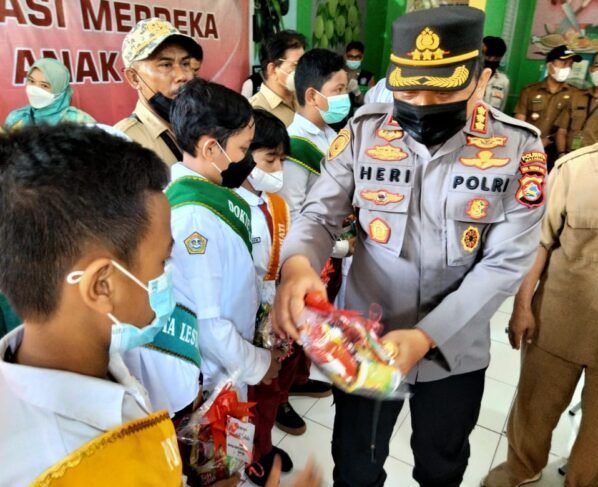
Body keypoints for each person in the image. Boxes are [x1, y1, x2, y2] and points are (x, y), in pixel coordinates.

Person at [272, 6, 547, 487]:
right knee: (356, 467)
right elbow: (318, 215)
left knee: (441, 467)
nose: (421, 103)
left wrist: (425, 336)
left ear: (480, 79)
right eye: (408, 89)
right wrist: (297, 263)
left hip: (454, 352)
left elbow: (505, 264)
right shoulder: (364, 131)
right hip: (364, 342)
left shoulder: (518, 148)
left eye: (442, 90)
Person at [0, 124, 183, 485]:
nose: (168, 273)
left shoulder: (97, 356)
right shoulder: (67, 469)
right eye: (163, 261)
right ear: (102, 286)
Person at [483, 143, 598, 487]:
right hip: (560, 317)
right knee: (534, 406)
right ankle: (521, 468)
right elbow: (539, 243)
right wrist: (522, 307)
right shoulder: (574, 170)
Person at [168, 78, 281, 400]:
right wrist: (259, 363)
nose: (247, 159)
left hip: (232, 361)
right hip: (215, 375)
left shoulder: (214, 196)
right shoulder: (193, 217)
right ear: (210, 148)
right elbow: (208, 323)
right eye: (243, 149)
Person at [233, 108, 300, 485]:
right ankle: (251, 456)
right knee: (248, 393)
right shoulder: (230, 205)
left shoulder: (276, 203)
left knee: (272, 387)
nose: (277, 169)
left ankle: (263, 444)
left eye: (281, 160)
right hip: (244, 319)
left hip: (276, 313)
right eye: (269, 159)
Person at [115, 18, 203, 166]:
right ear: (134, 78)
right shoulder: (123, 145)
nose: (183, 76)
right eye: (166, 65)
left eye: (185, 63)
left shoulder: (203, 126)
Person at [514, 45, 581, 170]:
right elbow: (520, 120)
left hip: (556, 152)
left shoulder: (575, 94)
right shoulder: (530, 90)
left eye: (570, 64)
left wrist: (549, 140)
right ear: (550, 65)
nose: (567, 68)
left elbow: (571, 126)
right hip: (528, 148)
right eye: (564, 63)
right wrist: (527, 143)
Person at [3, 58, 95, 130]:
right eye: (31, 81)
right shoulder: (17, 119)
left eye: (44, 85)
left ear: (60, 90)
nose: (35, 89)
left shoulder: (81, 122)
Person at [249, 30, 306, 127]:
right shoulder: (255, 111)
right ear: (272, 69)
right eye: (296, 65)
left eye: (304, 64)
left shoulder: (306, 100)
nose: (303, 70)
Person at [556, 53, 598, 153]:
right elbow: (562, 131)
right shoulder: (576, 96)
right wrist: (562, 154)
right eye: (597, 65)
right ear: (590, 69)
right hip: (569, 156)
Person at [345, 41, 376, 108]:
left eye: (357, 57)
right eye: (350, 56)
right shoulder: (339, 74)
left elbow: (371, 101)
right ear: (345, 56)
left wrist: (358, 93)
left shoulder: (368, 76)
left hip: (358, 111)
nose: (353, 60)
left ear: (362, 58)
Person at [482, 36, 510, 111]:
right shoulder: (469, 76)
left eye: (496, 57)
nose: (491, 60)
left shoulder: (503, 81)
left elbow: (501, 109)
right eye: (488, 56)